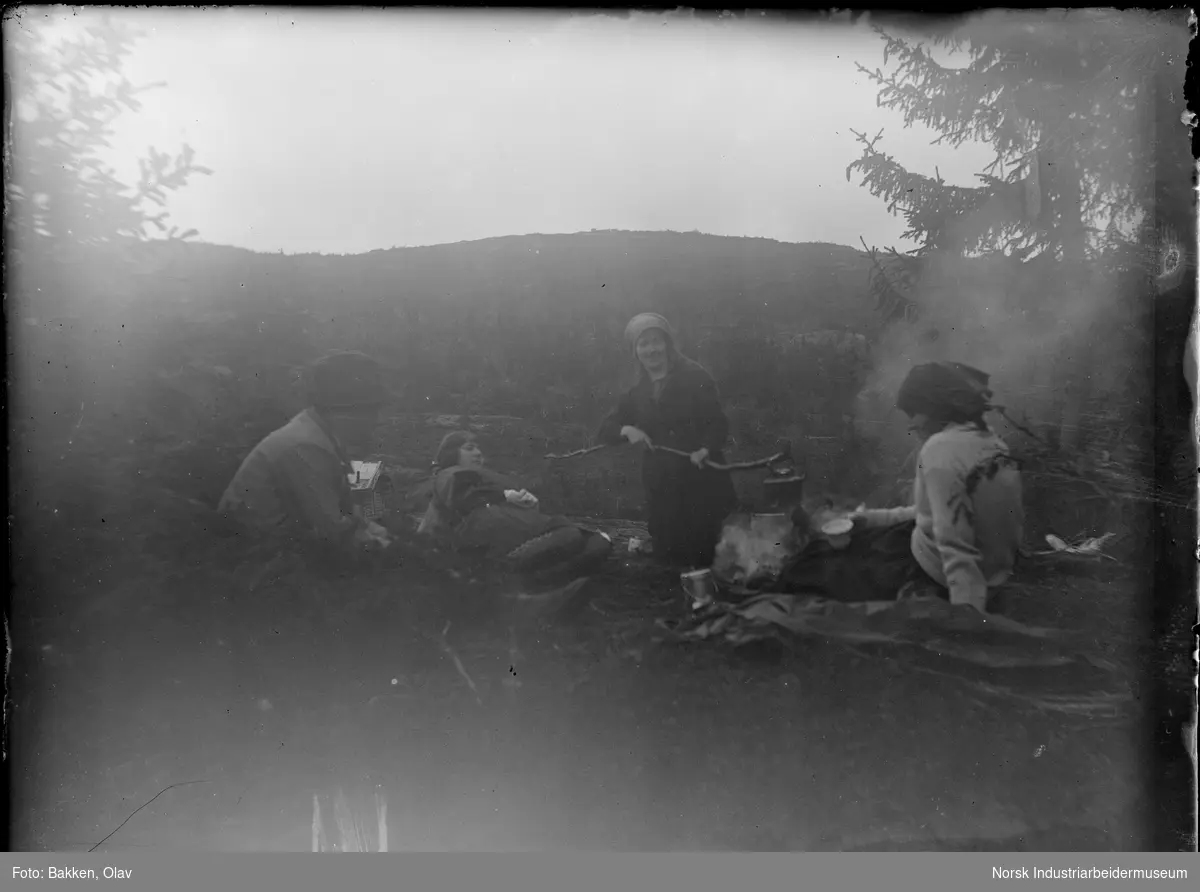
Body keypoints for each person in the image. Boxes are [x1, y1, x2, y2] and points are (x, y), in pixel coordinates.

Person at [781, 361, 1024, 613]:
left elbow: (955, 545)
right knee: (859, 541)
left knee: (812, 566)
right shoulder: (993, 442)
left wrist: (967, 615)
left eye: (915, 413)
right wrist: (871, 519)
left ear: (935, 406)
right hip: (992, 569)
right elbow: (937, 516)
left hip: (937, 571)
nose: (912, 425)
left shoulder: (940, 449)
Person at [217, 350, 394, 558]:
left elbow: (346, 505)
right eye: (371, 411)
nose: (377, 421)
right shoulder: (305, 446)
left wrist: (375, 530)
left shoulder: (319, 433)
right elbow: (332, 530)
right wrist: (389, 546)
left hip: (277, 545)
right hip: (251, 554)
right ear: (346, 411)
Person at [596, 313, 738, 569]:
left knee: (704, 556)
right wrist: (627, 429)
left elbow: (717, 423)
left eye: (656, 341)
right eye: (643, 344)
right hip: (662, 489)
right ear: (635, 351)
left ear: (667, 344)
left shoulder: (694, 377)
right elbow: (606, 429)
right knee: (667, 557)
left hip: (700, 482)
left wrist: (705, 449)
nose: (651, 349)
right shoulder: (637, 389)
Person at [417, 430, 613, 583]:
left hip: (504, 539)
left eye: (479, 449)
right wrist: (505, 496)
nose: (478, 453)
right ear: (452, 453)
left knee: (594, 543)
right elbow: (462, 498)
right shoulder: (449, 474)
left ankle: (537, 580)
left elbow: (481, 500)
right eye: (469, 448)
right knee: (572, 536)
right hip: (468, 549)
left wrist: (524, 503)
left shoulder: (476, 479)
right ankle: (505, 574)